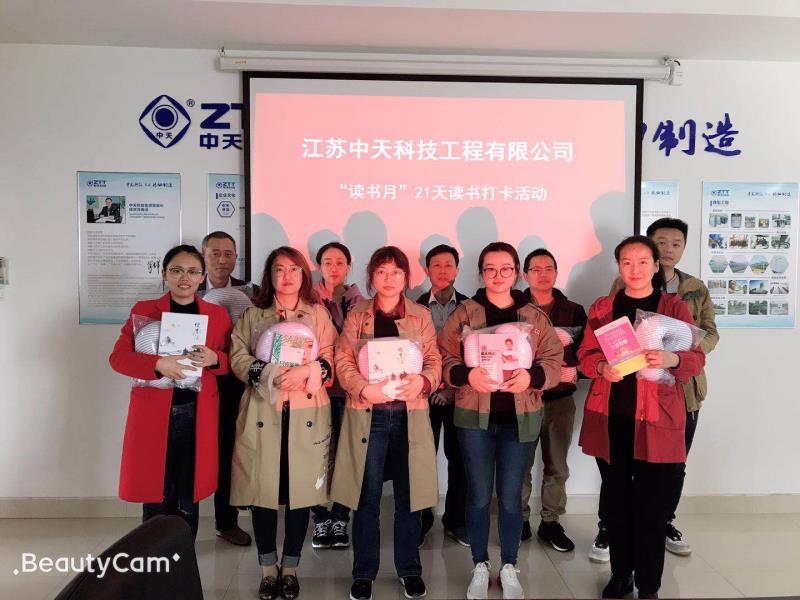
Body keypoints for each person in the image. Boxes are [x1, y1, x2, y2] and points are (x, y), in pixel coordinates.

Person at [578, 235, 705, 599]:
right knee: (617, 504)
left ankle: (649, 585)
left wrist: (672, 358)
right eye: (627, 262)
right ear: (619, 266)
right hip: (612, 418)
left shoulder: (673, 308)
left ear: (655, 265)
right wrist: (600, 366)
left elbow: (696, 359)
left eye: (642, 262)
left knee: (652, 508)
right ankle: (621, 575)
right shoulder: (604, 307)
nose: (634, 270)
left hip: (657, 420)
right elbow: (585, 355)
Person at [438, 242, 563, 600]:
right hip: (474, 419)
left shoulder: (533, 316)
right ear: (481, 273)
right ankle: (480, 564)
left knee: (510, 497)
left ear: (516, 273)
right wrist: (465, 375)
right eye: (490, 269)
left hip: (519, 420)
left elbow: (553, 360)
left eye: (505, 268)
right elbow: (444, 356)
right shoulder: (465, 313)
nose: (497, 275)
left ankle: (509, 565)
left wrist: (531, 377)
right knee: (478, 495)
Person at [591, 219, 719, 561]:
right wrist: (602, 366)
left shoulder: (688, 294)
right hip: (619, 402)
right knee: (617, 483)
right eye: (661, 241)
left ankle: (661, 531)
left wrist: (674, 356)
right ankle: (612, 540)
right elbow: (594, 349)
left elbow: (705, 340)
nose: (668, 249)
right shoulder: (610, 300)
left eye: (676, 243)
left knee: (665, 474)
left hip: (673, 397)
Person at [331, 246, 442, 600]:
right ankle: (364, 572)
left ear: (406, 277)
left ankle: (409, 570)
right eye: (382, 272)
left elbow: (434, 360)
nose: (389, 278)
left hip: (410, 413)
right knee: (368, 496)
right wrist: (364, 388)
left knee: (410, 496)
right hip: (369, 415)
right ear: (371, 276)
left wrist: (423, 381)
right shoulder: (357, 314)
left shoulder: (421, 315)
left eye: (396, 272)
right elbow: (343, 360)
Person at [229, 246, 337, 600]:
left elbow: (331, 356)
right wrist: (271, 374)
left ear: (304, 274)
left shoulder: (318, 314)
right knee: (262, 492)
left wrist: (308, 372)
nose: (287, 276)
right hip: (264, 410)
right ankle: (267, 568)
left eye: (294, 269)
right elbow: (238, 356)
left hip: (306, 411)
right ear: (269, 275)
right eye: (279, 269)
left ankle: (290, 568)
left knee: (300, 494)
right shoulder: (253, 314)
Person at [109, 244, 232, 540]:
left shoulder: (217, 315)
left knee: (189, 490)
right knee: (157, 489)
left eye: (192, 271)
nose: (184, 278)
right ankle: (154, 557)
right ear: (164, 274)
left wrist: (215, 359)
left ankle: (184, 555)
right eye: (176, 270)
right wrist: (157, 363)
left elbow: (230, 361)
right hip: (154, 413)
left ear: (202, 276)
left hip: (197, 412)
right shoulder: (144, 310)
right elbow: (118, 359)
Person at [519, 248, 587, 551]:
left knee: (557, 465)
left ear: (557, 273)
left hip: (560, 400)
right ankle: (519, 520)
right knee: (519, 465)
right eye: (535, 269)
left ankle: (550, 522)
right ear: (525, 275)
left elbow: (588, 351)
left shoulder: (573, 310)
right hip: (522, 399)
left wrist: (575, 369)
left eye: (548, 268)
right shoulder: (514, 307)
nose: (542, 274)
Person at [200, 231, 258, 547]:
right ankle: (184, 522)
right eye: (215, 253)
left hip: (241, 383)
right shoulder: (189, 288)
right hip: (199, 383)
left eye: (228, 254)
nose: (222, 260)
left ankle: (227, 521)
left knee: (234, 450)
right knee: (199, 451)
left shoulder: (252, 292)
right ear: (203, 256)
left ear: (236, 257)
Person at [309, 241, 364, 549]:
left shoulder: (361, 302)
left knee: (345, 453)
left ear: (348, 267)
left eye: (340, 262)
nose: (333, 268)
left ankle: (341, 517)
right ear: (319, 266)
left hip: (347, 390)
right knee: (315, 453)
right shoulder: (306, 299)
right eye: (327, 262)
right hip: (313, 390)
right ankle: (320, 517)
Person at [416, 244, 470, 547]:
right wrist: (432, 386)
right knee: (422, 459)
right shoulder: (413, 307)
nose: (443, 271)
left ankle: (455, 520)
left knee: (459, 459)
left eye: (449, 265)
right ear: (427, 270)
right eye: (436, 265)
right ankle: (422, 519)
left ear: (457, 270)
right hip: (422, 396)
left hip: (460, 396)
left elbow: (476, 354)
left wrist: (450, 389)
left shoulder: (471, 307)